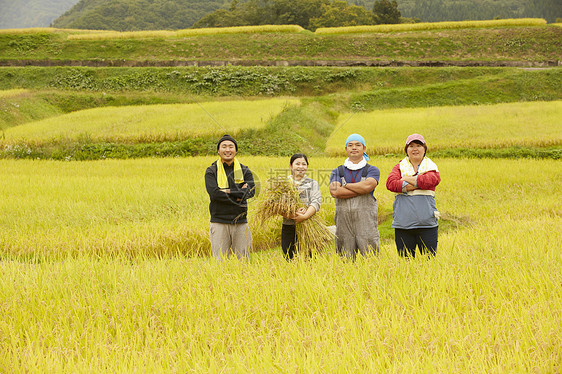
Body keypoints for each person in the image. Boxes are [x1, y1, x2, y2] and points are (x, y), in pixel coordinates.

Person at [385, 134, 441, 258]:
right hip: (403, 224)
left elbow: (432, 180)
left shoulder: (431, 167)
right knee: (406, 263)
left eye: (418, 145)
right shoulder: (399, 167)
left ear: (424, 149)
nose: (415, 149)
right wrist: (418, 183)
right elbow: (391, 184)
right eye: (411, 146)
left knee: (430, 262)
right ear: (406, 150)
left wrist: (405, 179)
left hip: (427, 224)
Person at [329, 134, 381, 261]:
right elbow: (335, 191)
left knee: (370, 257)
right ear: (346, 149)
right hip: (343, 223)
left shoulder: (372, 170)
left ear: (364, 148)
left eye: (358, 145)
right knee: (344, 258)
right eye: (350, 145)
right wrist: (360, 189)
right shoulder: (338, 171)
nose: (354, 148)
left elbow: (368, 186)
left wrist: (346, 186)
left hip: (366, 222)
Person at [205, 134, 255, 261]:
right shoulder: (212, 171)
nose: (228, 150)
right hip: (219, 222)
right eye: (224, 146)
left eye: (231, 146)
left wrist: (226, 191)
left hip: (241, 222)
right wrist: (238, 193)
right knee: (220, 262)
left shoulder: (244, 170)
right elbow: (215, 194)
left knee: (243, 261)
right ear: (218, 150)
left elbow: (251, 191)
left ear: (236, 150)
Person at [281, 153, 321, 260]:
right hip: (289, 226)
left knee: (309, 260)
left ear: (307, 166)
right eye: (297, 164)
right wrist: (292, 214)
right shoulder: (283, 184)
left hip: (309, 225)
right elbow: (277, 206)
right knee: (289, 259)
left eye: (304, 164)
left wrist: (305, 215)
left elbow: (316, 202)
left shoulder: (313, 184)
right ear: (290, 166)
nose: (301, 167)